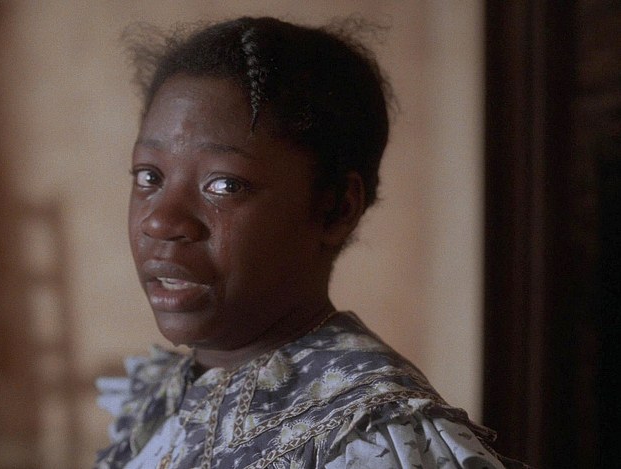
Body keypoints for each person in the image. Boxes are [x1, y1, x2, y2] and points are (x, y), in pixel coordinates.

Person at [95, 16, 526, 469]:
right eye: (149, 176)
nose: (161, 221)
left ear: (337, 209)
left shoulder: (369, 438)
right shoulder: (163, 398)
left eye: (225, 185)